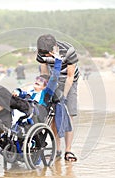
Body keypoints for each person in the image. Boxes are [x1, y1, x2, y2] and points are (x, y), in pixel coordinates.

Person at [0, 52, 69, 131]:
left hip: (33, 110)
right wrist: (17, 91)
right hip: (21, 106)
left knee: (2, 91)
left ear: (46, 86)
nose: (38, 81)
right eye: (38, 78)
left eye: (42, 81)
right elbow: (22, 93)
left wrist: (58, 61)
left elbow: (54, 77)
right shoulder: (29, 91)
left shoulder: (46, 94)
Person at [36, 34, 79, 162]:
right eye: (44, 55)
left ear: (54, 47)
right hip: (53, 80)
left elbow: (70, 76)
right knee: (54, 114)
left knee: (68, 114)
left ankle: (68, 150)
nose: (46, 57)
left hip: (69, 81)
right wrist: (43, 91)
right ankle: (57, 150)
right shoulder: (41, 53)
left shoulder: (68, 51)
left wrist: (63, 96)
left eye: (48, 54)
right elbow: (44, 73)